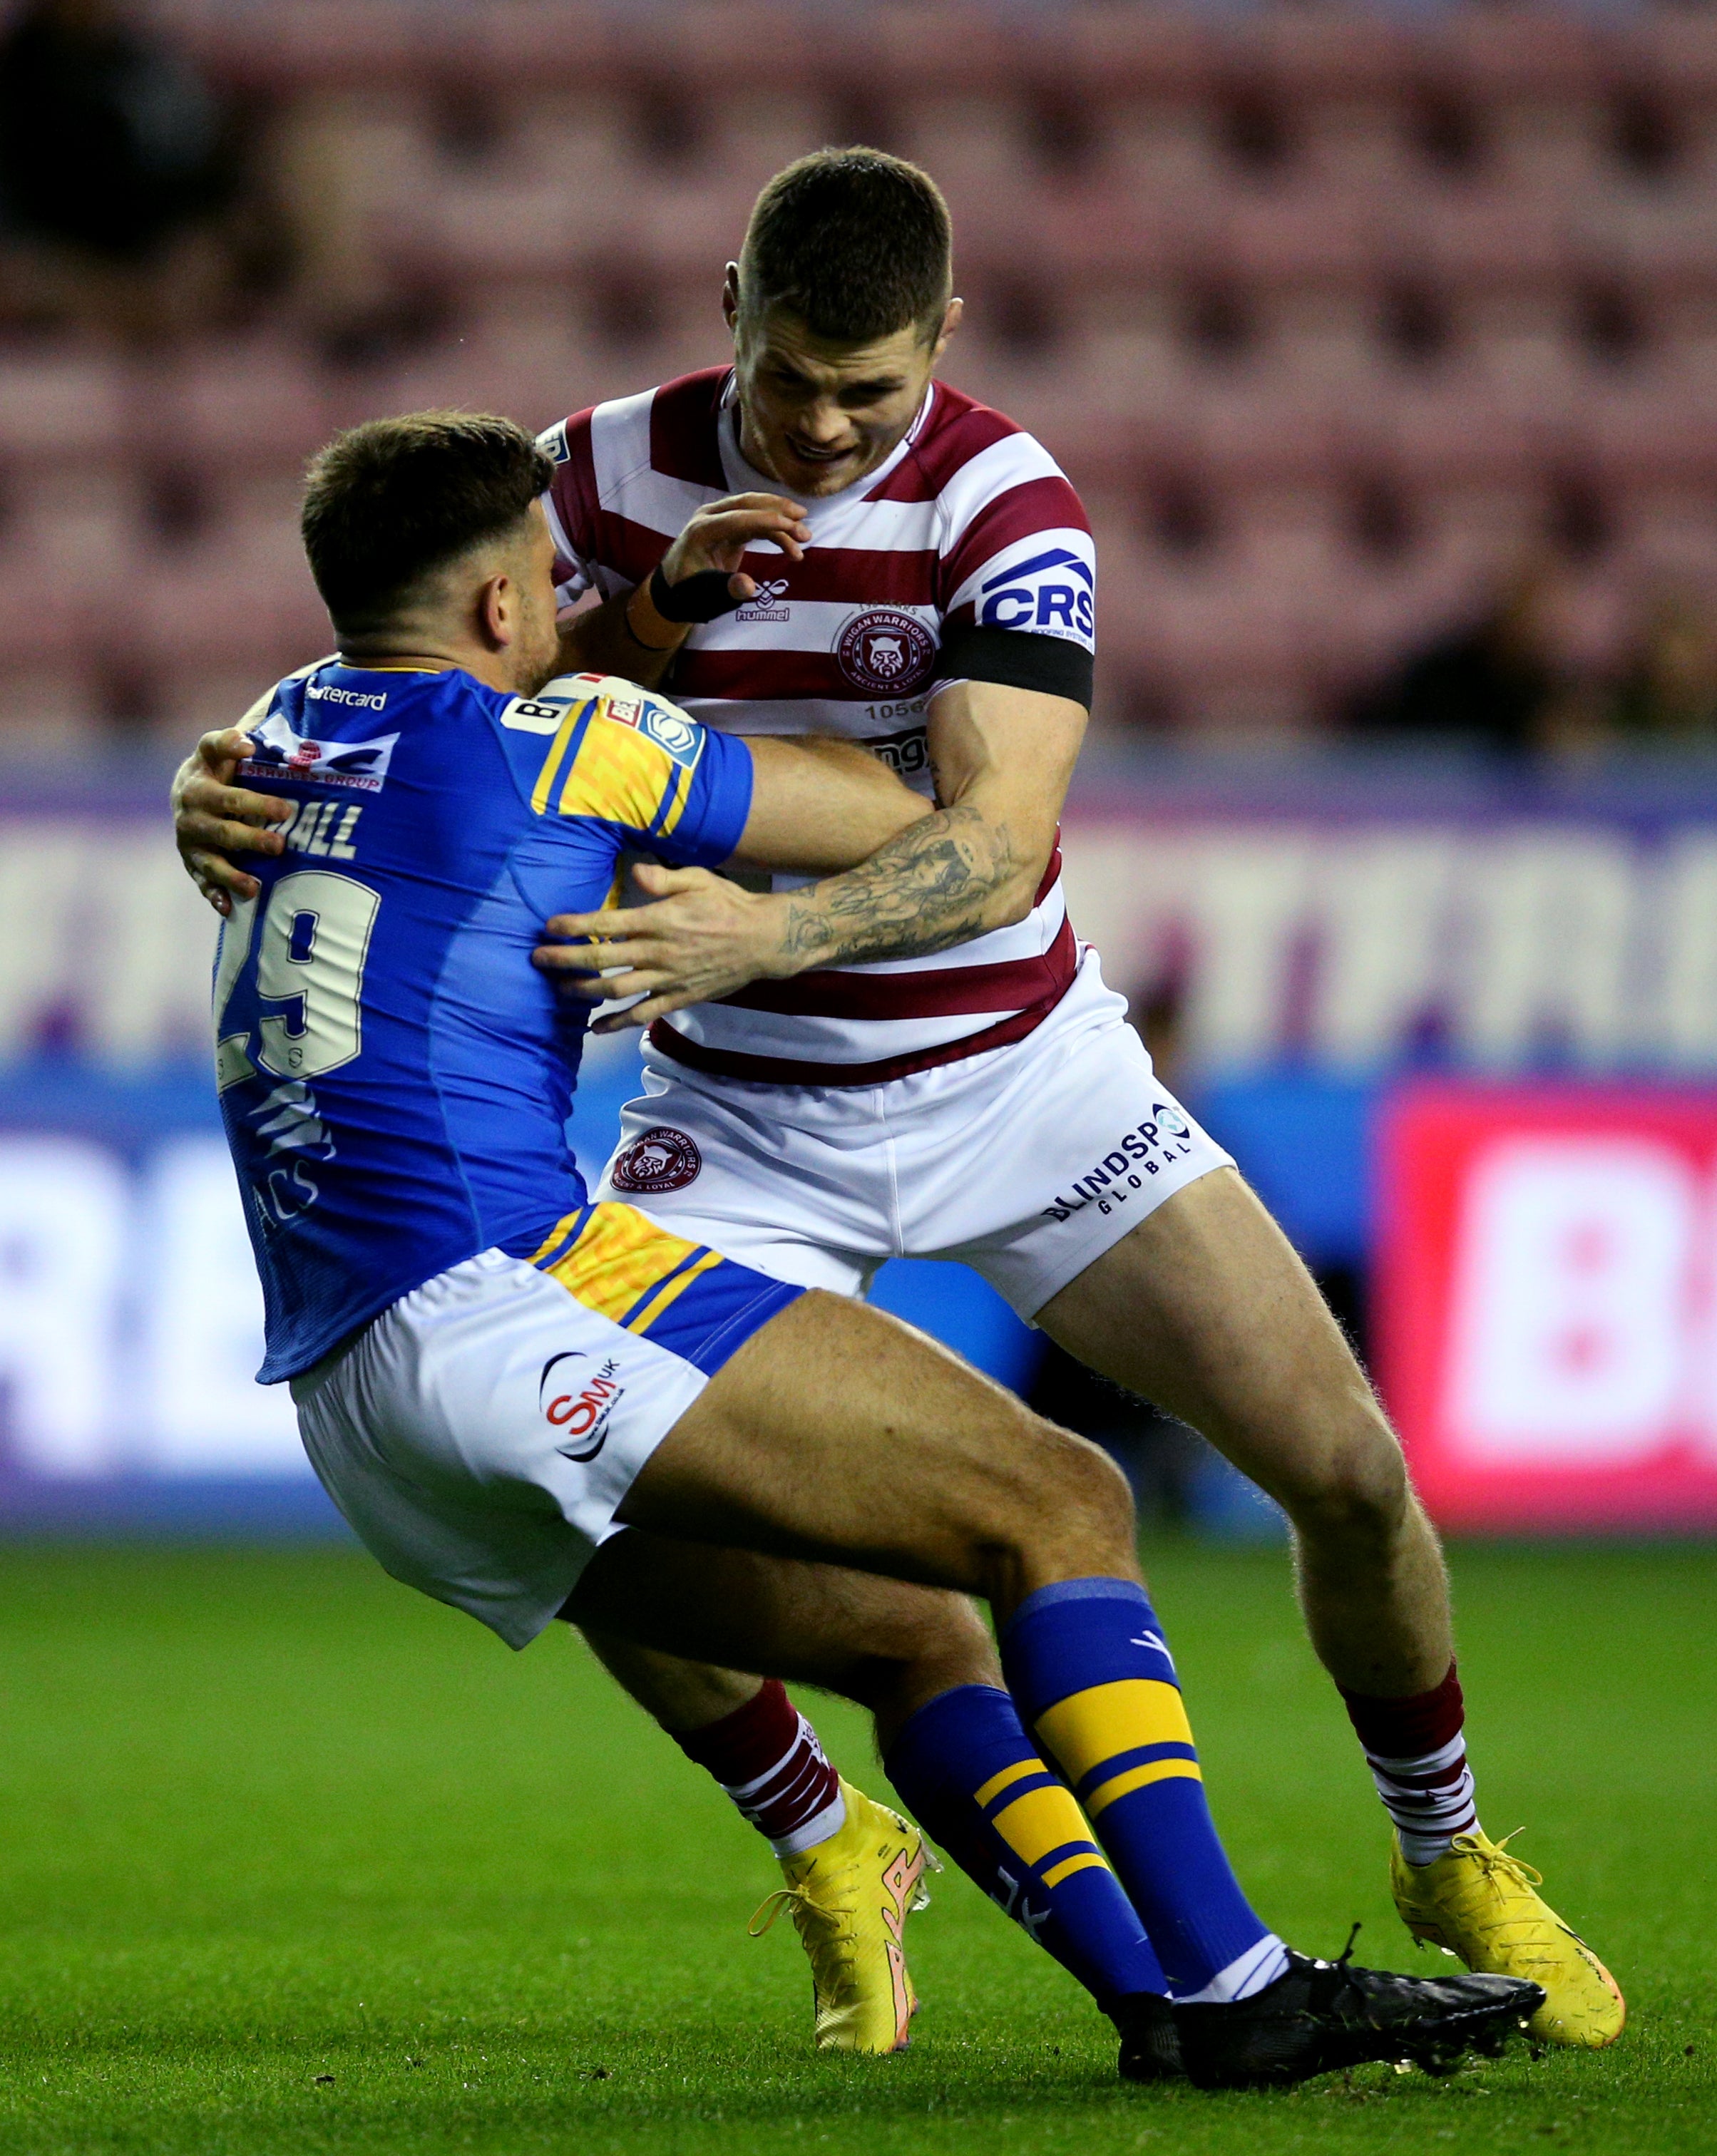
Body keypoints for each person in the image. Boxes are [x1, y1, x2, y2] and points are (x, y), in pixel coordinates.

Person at [172, 150, 1623, 2054]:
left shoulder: (1004, 502)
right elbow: (496, 680)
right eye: (796, 383)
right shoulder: (590, 480)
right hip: (740, 1112)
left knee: (1345, 1472)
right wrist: (253, 777)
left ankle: (1442, 1850)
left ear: (947, 337)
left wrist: (766, 938)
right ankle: (893, 1861)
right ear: (728, 316)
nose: (837, 423)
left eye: (877, 387)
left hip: (1017, 1074)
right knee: (635, 1505)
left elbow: (999, 843)